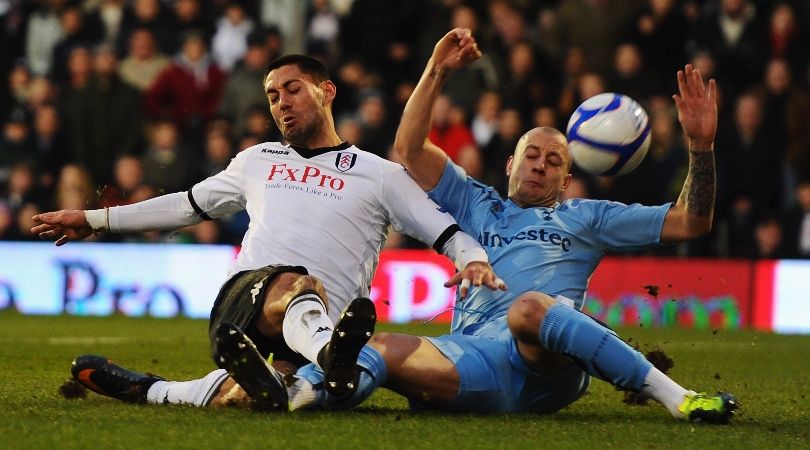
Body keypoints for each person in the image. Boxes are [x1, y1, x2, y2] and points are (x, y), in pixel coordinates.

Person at [253, 28, 736, 422]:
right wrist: (438, 70)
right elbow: (409, 148)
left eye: (553, 161)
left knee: (527, 309)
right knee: (379, 346)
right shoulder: (476, 202)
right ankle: (300, 390)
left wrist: (700, 146)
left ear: (567, 179)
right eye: (531, 155)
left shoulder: (586, 215)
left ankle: (678, 397)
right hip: (472, 360)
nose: (540, 166)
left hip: (544, 361)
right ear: (509, 163)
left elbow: (692, 221)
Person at [33, 53, 502, 410]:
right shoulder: (258, 161)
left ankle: (151, 388)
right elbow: (186, 206)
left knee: (259, 395)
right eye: (273, 96)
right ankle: (331, 360)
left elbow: (446, 232)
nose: (282, 103)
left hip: (324, 328)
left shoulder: (380, 175)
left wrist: (473, 260)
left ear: (327, 91)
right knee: (295, 284)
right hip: (246, 306)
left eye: (293, 89)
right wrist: (96, 218)